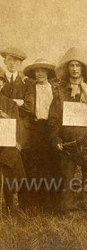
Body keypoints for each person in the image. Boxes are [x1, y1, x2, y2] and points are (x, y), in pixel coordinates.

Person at [48, 47, 87, 213]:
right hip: (67, 144)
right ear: (67, 69)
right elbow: (53, 118)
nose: (75, 69)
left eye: (78, 66)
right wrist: (55, 138)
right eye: (71, 66)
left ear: (83, 68)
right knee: (68, 177)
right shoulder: (60, 93)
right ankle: (68, 208)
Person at [0, 47, 34, 209]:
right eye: (9, 59)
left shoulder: (26, 83)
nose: (12, 63)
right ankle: (7, 204)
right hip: (3, 132)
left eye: (16, 61)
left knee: (20, 167)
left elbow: (29, 107)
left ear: (21, 63)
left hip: (21, 131)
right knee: (6, 168)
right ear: (5, 60)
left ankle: (22, 205)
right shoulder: (1, 80)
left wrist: (13, 103)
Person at [23, 58, 58, 210]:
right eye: (37, 71)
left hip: (52, 128)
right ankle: (37, 200)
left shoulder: (55, 88)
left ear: (48, 73)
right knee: (37, 164)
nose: (40, 74)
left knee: (52, 163)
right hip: (36, 128)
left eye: (43, 71)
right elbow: (27, 106)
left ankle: (51, 201)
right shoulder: (31, 88)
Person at [0, 92, 25, 214]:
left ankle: (10, 207)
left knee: (9, 172)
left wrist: (4, 116)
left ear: (2, 84)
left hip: (6, 142)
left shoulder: (10, 104)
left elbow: (16, 124)